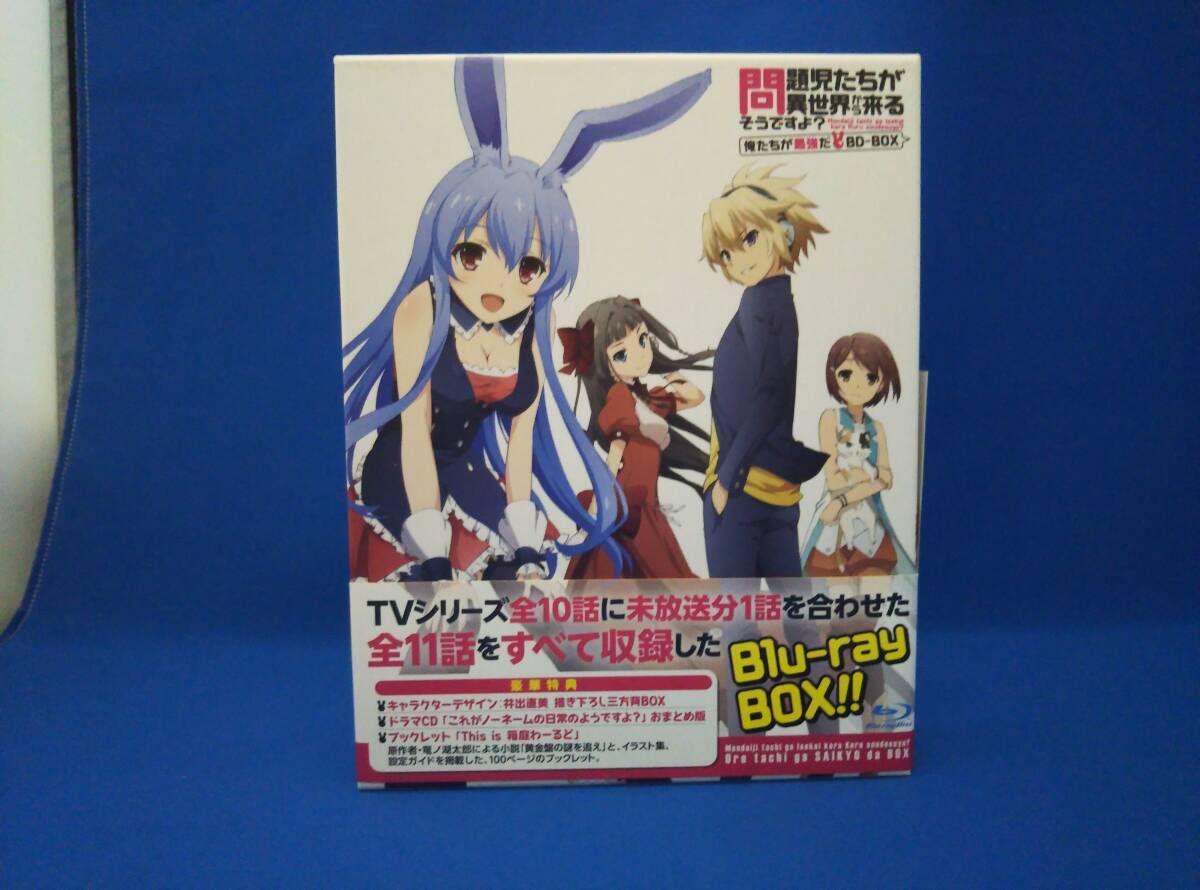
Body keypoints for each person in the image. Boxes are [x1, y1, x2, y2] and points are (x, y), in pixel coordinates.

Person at [342, 57, 710, 581]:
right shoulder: (424, 307)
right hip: (402, 471)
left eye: (529, 268)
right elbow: (415, 433)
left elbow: (521, 445)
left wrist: (522, 530)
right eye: (473, 254)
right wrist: (432, 548)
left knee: (522, 571)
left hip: (468, 472)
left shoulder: (535, 318)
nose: (500, 286)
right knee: (438, 582)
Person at [699, 163, 829, 578]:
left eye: (749, 239)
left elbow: (769, 395)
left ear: (784, 230)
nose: (738, 262)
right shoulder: (780, 302)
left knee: (739, 615)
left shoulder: (758, 302)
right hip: (775, 489)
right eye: (726, 254)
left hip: (742, 489)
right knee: (794, 609)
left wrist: (725, 479)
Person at [558, 296, 712, 579]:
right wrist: (592, 516)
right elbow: (613, 461)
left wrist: (663, 366)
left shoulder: (645, 400)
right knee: (667, 581)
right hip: (629, 505)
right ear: (603, 364)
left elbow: (693, 395)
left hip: (645, 507)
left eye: (643, 340)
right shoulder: (619, 398)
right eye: (621, 354)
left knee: (645, 579)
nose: (640, 355)